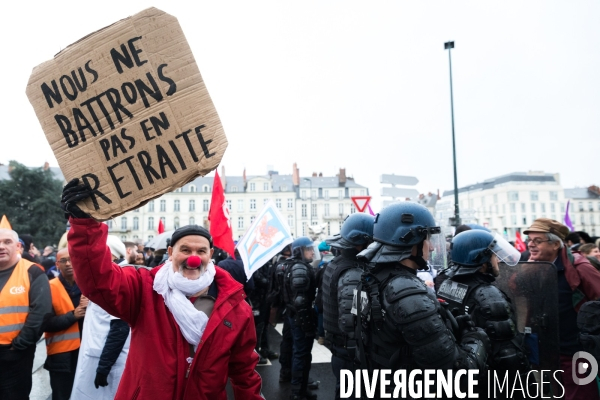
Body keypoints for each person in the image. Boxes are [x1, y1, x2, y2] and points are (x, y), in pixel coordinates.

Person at [62, 178, 263, 400]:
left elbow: (244, 373)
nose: (193, 258)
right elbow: (98, 280)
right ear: (170, 252)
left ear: (211, 255)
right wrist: (84, 225)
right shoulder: (143, 288)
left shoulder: (236, 309)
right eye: (185, 249)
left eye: (201, 251)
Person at [356, 202, 490, 398]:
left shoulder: (370, 278)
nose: (433, 247)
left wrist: (447, 325)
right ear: (411, 240)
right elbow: (455, 374)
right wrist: (475, 339)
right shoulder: (407, 291)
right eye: (428, 239)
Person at [438, 229, 530, 397]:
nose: (498, 260)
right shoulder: (488, 294)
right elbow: (507, 354)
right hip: (489, 382)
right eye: (494, 255)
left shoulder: (443, 282)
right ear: (482, 259)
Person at [523, 218, 600, 400]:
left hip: (577, 351)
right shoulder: (535, 265)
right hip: (548, 349)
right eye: (530, 241)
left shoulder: (581, 267)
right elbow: (515, 290)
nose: (531, 245)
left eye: (537, 241)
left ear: (556, 244)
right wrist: (527, 270)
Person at [71, 236, 134, 400]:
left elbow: (120, 327)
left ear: (110, 256)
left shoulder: (118, 279)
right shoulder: (105, 278)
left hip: (107, 361)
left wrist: (104, 367)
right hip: (97, 355)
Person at [321, 213, 373, 400]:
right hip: (350, 353)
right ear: (361, 243)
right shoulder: (353, 273)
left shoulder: (336, 264)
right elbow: (356, 319)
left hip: (340, 348)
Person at [0, 228, 52, 399]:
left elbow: (41, 312)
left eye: (7, 242)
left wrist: (21, 344)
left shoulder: (33, 271)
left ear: (18, 246)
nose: (1, 247)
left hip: (15, 353)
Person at [43, 248, 88, 400]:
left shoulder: (87, 286)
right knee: (62, 395)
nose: (68, 264)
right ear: (57, 264)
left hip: (85, 351)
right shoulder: (49, 287)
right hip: (61, 355)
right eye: (63, 261)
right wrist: (73, 315)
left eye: (71, 259)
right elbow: (45, 323)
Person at [282, 236, 319, 400]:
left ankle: (302, 389)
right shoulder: (300, 268)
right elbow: (300, 300)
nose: (312, 252)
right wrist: (307, 324)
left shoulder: (297, 266)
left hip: (296, 317)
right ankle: (298, 392)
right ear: (299, 251)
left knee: (302, 354)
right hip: (300, 318)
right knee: (301, 354)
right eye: (308, 249)